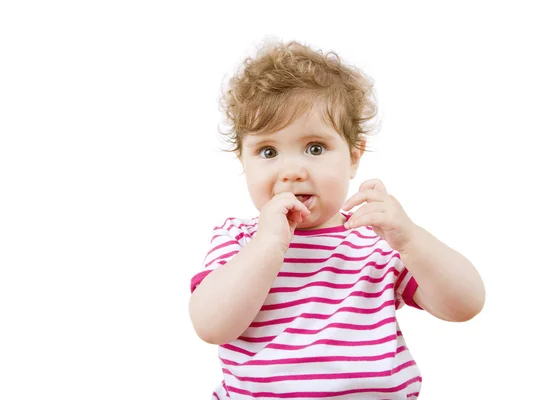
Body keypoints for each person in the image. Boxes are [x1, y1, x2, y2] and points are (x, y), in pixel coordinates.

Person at [188, 39, 485, 399]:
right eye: (268, 151)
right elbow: (210, 326)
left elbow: (466, 304)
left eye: (315, 148)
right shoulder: (237, 239)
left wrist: (410, 239)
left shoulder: (376, 239)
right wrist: (268, 245)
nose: (292, 171)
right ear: (243, 162)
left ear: (354, 157)